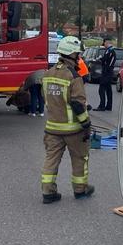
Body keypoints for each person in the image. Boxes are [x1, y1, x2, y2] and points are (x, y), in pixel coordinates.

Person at [40, 36, 95, 204]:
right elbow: (78, 104)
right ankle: (80, 190)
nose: (79, 57)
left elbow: (47, 99)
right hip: (73, 130)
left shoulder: (48, 74)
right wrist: (86, 123)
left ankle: (48, 192)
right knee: (80, 158)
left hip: (52, 128)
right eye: (78, 54)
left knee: (51, 159)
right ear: (71, 54)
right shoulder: (73, 76)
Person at [96, 38, 117, 111]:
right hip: (107, 72)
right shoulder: (108, 51)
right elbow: (105, 60)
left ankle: (102, 106)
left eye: (104, 43)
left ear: (107, 42)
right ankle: (108, 106)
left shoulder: (111, 51)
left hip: (107, 73)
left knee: (101, 89)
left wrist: (102, 60)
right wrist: (101, 59)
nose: (104, 45)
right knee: (108, 89)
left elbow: (109, 63)